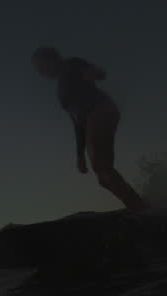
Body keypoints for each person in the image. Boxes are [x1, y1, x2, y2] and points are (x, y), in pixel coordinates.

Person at [31, 46, 148, 211]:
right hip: (93, 117)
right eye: (37, 71)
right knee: (102, 176)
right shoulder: (60, 90)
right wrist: (80, 155)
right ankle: (138, 205)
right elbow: (77, 123)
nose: (40, 73)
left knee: (102, 166)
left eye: (40, 67)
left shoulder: (70, 64)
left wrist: (94, 73)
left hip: (100, 109)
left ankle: (140, 208)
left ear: (51, 60)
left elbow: (98, 73)